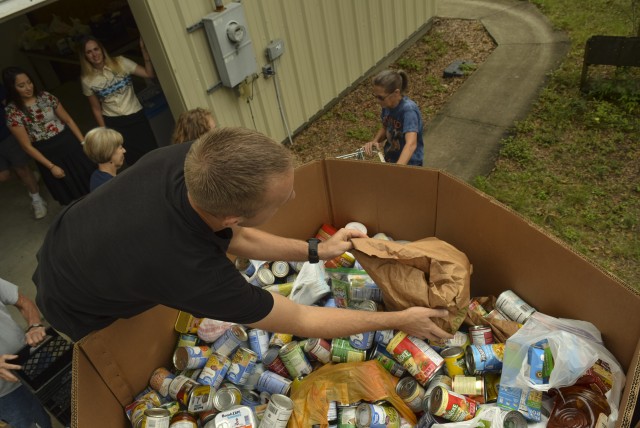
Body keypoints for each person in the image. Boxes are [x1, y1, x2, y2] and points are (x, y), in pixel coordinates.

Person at [33, 127, 452, 343]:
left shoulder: (196, 158)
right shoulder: (192, 271)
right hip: (76, 300)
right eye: (284, 199)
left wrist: (318, 249)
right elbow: (302, 317)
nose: (293, 195)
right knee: (92, 332)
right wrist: (400, 320)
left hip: (72, 232)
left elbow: (233, 237)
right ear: (236, 213)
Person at [3, 66, 95, 205]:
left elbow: (68, 120)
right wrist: (51, 166)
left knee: (91, 179)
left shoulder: (46, 97)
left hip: (70, 143)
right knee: (72, 193)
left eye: (29, 82)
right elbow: (26, 146)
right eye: (21, 85)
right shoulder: (12, 112)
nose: (28, 87)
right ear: (12, 88)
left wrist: (83, 143)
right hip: (48, 154)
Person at [79, 36, 158, 165]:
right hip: (115, 122)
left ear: (102, 49)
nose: (94, 54)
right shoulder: (87, 80)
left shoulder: (121, 62)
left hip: (136, 115)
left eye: (96, 49)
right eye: (89, 52)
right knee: (134, 161)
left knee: (152, 152)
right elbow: (96, 109)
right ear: (85, 56)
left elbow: (149, 74)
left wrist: (144, 52)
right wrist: (106, 133)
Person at [0, 277, 52, 428]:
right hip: (6, 391)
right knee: (36, 423)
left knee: (75, 402)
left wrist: (34, 324)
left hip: (33, 360)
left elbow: (23, 302)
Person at [0, 83, 47, 219]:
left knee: (21, 168)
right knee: (3, 176)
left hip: (6, 136)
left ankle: (37, 199)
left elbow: (9, 106)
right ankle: (31, 176)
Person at [362, 69, 424, 166]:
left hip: (409, 165)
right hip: (391, 160)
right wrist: (375, 141)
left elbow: (411, 144)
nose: (378, 101)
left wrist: (397, 168)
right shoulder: (387, 105)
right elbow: (386, 127)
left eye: (381, 97)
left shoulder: (408, 110)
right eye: (376, 96)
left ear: (396, 93)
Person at [83, 127, 126, 191]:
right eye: (120, 147)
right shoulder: (113, 186)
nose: (124, 151)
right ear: (109, 153)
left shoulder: (96, 176)